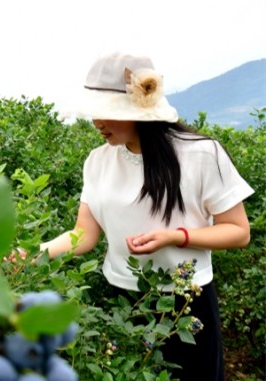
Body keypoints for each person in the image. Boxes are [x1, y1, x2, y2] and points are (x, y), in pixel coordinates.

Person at [37, 53, 253, 380]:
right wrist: (33, 255)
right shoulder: (98, 161)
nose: (97, 122)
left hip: (186, 304)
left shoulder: (201, 154)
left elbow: (238, 231)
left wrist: (175, 236)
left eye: (107, 112)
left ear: (139, 110)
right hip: (125, 305)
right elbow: (84, 233)